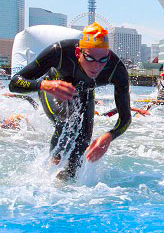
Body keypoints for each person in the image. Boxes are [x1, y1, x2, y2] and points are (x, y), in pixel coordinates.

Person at [9, 22, 132, 180]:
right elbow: (14, 82)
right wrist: (43, 85)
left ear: (108, 56)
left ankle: (69, 190)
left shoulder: (116, 69)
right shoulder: (59, 51)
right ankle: (50, 174)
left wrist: (110, 136)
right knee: (65, 124)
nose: (96, 66)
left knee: (82, 143)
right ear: (78, 52)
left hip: (85, 93)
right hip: (53, 87)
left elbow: (126, 117)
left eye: (102, 60)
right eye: (89, 58)